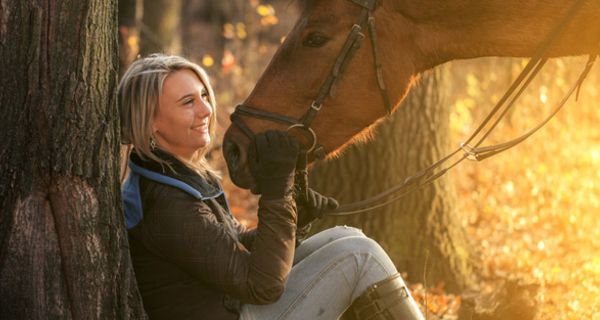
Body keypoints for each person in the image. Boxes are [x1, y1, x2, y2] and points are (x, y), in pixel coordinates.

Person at [119, 54, 425, 320]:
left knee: (347, 237)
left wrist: (294, 216)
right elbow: (261, 284)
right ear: (150, 122)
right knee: (360, 255)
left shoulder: (172, 175)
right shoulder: (166, 202)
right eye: (188, 102)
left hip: (234, 306)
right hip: (237, 311)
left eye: (203, 95)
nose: (206, 110)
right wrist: (277, 191)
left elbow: (232, 246)